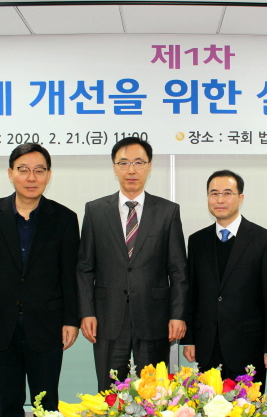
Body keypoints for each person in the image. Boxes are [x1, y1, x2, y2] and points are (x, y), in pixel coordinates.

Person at [0, 143, 80, 417]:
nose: (31, 177)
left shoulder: (64, 218)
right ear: (10, 173)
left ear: (48, 175)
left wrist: (71, 320)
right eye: (23, 170)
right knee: (8, 402)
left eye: (39, 170)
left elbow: (70, 275)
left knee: (47, 404)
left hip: (47, 326)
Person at [77, 136, 188, 392]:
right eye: (124, 163)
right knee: (109, 391)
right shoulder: (95, 210)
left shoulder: (168, 211)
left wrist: (177, 315)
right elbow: (85, 268)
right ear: (114, 168)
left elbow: (178, 271)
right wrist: (87, 312)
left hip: (154, 317)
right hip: (107, 317)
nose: (131, 170)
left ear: (149, 167)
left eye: (138, 163)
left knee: (155, 394)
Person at [181, 170, 267, 384]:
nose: (220, 200)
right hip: (207, 346)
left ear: (240, 198)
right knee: (206, 402)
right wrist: (189, 340)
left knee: (247, 403)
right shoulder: (197, 241)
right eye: (214, 193)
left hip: (248, 347)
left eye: (227, 193)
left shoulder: (264, 240)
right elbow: (192, 294)